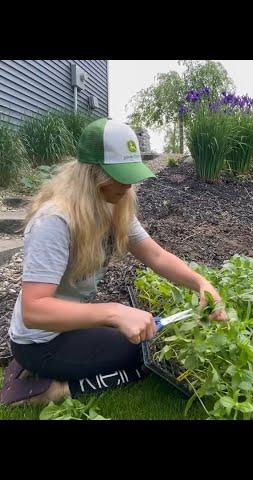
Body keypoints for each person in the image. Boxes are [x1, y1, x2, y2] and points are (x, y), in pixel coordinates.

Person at [0, 118, 228, 406]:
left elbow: (156, 256)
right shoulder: (54, 221)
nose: (130, 182)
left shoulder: (113, 205)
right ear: (92, 173)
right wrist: (113, 312)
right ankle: (52, 391)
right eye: (120, 174)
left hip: (67, 327)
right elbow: (35, 310)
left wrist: (201, 283)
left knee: (147, 334)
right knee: (149, 354)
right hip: (41, 341)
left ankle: (37, 370)